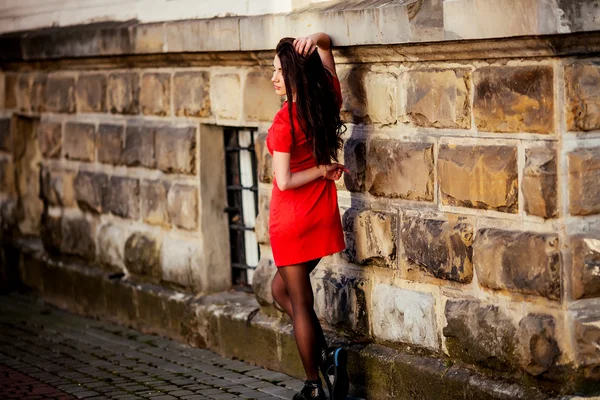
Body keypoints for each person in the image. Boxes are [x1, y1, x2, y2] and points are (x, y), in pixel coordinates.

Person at [266, 32, 349, 400]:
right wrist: (317, 40)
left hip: (291, 221)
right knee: (279, 289)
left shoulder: (284, 122)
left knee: (300, 302)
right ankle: (328, 357)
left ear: (294, 77)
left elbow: (283, 181)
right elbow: (328, 52)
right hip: (320, 213)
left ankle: (314, 384)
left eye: (279, 72)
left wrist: (317, 170)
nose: (273, 78)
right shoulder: (326, 102)